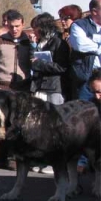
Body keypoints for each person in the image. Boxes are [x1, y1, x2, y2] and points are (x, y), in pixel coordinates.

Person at [0, 9, 31, 172]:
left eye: (18, 26)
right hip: (2, 87)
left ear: (23, 24)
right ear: (7, 25)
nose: (15, 29)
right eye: (12, 26)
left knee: (16, 125)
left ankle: (13, 158)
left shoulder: (29, 43)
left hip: (22, 88)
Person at [27, 12, 70, 174]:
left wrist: (39, 64)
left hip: (54, 88)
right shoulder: (40, 43)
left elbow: (61, 67)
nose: (34, 32)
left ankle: (56, 163)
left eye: (36, 29)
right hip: (39, 87)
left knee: (55, 126)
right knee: (41, 126)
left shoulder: (59, 43)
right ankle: (43, 159)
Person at [68, 0, 101, 102]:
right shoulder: (78, 25)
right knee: (84, 112)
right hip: (85, 78)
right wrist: (99, 48)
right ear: (95, 11)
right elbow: (80, 44)